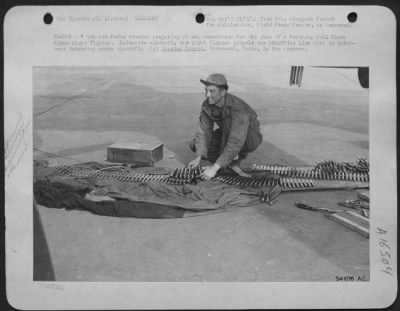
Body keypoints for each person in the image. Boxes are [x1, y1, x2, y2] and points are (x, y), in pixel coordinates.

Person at [188, 73, 263, 180]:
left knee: (229, 125)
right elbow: (204, 131)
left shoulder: (238, 108)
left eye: (212, 91)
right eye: (206, 90)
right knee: (194, 145)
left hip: (249, 137)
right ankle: (228, 162)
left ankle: (227, 162)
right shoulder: (207, 105)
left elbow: (235, 141)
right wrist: (199, 157)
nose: (207, 95)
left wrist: (213, 169)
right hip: (227, 134)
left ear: (223, 92)